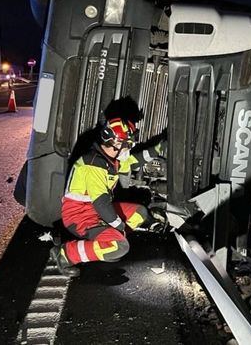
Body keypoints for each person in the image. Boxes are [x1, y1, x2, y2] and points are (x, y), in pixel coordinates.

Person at [51, 117, 167, 277]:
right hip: (79, 215)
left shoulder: (109, 159)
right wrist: (119, 227)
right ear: (115, 143)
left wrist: (160, 148)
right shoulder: (94, 164)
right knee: (121, 247)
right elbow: (101, 203)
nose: (130, 147)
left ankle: (107, 243)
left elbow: (134, 161)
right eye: (128, 144)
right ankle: (65, 254)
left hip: (95, 211)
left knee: (140, 212)